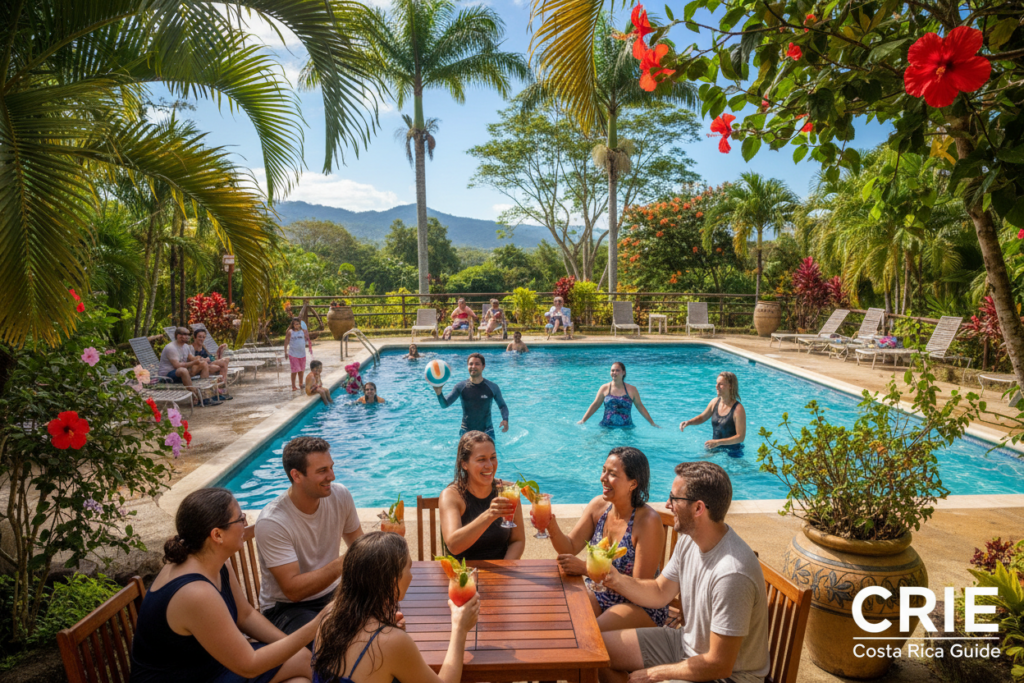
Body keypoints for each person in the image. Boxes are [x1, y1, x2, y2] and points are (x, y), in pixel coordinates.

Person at [598, 462, 769, 683]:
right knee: (595, 652)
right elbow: (660, 591)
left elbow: (720, 665)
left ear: (698, 508)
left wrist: (654, 674)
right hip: (684, 644)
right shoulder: (690, 539)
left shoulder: (731, 574)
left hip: (728, 676)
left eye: (674, 498)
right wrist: (615, 580)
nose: (668, 504)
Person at [129, 487, 319, 683]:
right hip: (194, 676)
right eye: (239, 519)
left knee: (302, 669)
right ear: (217, 535)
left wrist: (289, 645)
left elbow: (245, 616)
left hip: (210, 667)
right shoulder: (195, 592)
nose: (246, 523)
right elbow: (250, 665)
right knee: (305, 661)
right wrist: (316, 626)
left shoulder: (214, 563)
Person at [311, 532, 479, 683]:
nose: (412, 576)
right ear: (393, 581)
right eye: (409, 567)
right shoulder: (390, 641)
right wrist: (459, 629)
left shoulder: (328, 620)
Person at [534, 447, 667, 631]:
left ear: (633, 484)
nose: (603, 478)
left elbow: (639, 589)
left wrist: (586, 569)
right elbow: (570, 547)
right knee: (555, 612)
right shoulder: (599, 506)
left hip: (637, 605)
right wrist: (551, 525)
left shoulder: (648, 522)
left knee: (588, 633)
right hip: (601, 594)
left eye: (612, 474)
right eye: (604, 470)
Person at [255, 437, 363, 637]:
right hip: (286, 608)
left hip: (332, 593)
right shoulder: (273, 522)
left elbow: (359, 544)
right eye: (322, 471)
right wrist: (349, 559)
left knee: (382, 622)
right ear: (296, 475)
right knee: (335, 642)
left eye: (331, 467)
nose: (332, 476)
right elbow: (293, 591)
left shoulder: (340, 496)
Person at [439, 431, 525, 561]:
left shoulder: (509, 490)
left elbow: (517, 540)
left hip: (502, 574)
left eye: (493, 457)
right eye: (481, 459)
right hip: (463, 575)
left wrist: (506, 568)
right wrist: (489, 515)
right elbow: (453, 545)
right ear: (464, 464)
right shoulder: (452, 495)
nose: (489, 465)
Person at [433, 353, 509, 439]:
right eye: (471, 364)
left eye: (477, 364)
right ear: (467, 366)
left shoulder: (492, 387)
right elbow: (444, 404)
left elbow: (502, 405)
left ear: (483, 366)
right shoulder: (460, 387)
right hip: (466, 431)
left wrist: (505, 419)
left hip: (487, 431)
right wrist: (439, 393)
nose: (473, 366)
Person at [679, 371, 746, 454]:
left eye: (721, 384)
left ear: (730, 386)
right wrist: (689, 422)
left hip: (733, 451)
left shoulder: (738, 409)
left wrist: (718, 442)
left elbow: (740, 437)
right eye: (716, 383)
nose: (716, 386)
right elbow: (702, 417)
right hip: (715, 448)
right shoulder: (714, 402)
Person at [578, 362, 659, 428]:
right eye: (612, 370)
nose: (614, 373)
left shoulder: (632, 389)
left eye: (617, 370)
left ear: (623, 372)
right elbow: (595, 405)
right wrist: (583, 420)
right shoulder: (604, 388)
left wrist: (652, 423)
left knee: (629, 447)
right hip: (607, 425)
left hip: (626, 426)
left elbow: (640, 406)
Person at [158, 327, 216, 405]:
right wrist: (194, 362)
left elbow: (191, 358)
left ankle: (204, 396)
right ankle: (195, 396)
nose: (184, 336)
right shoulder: (171, 348)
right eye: (181, 334)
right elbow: (177, 366)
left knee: (204, 364)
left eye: (186, 334)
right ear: (176, 336)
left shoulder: (185, 346)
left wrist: (201, 359)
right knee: (183, 370)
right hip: (168, 376)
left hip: (182, 373)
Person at [192, 328, 233, 401]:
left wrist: (219, 351)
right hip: (199, 367)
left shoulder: (203, 346)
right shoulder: (191, 348)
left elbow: (211, 357)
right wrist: (203, 359)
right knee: (219, 366)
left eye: (203, 337)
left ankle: (219, 388)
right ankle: (219, 389)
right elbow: (191, 360)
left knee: (225, 360)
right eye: (199, 337)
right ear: (194, 337)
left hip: (208, 364)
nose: (202, 339)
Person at [286, 318, 313, 392]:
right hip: (293, 354)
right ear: (293, 325)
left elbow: (307, 340)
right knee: (294, 371)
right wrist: (285, 352)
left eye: (298, 324)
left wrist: (309, 347)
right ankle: (293, 386)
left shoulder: (303, 332)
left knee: (301, 370)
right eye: (295, 324)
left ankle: (301, 384)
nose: (296, 325)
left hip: (302, 354)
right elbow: (286, 341)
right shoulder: (290, 332)